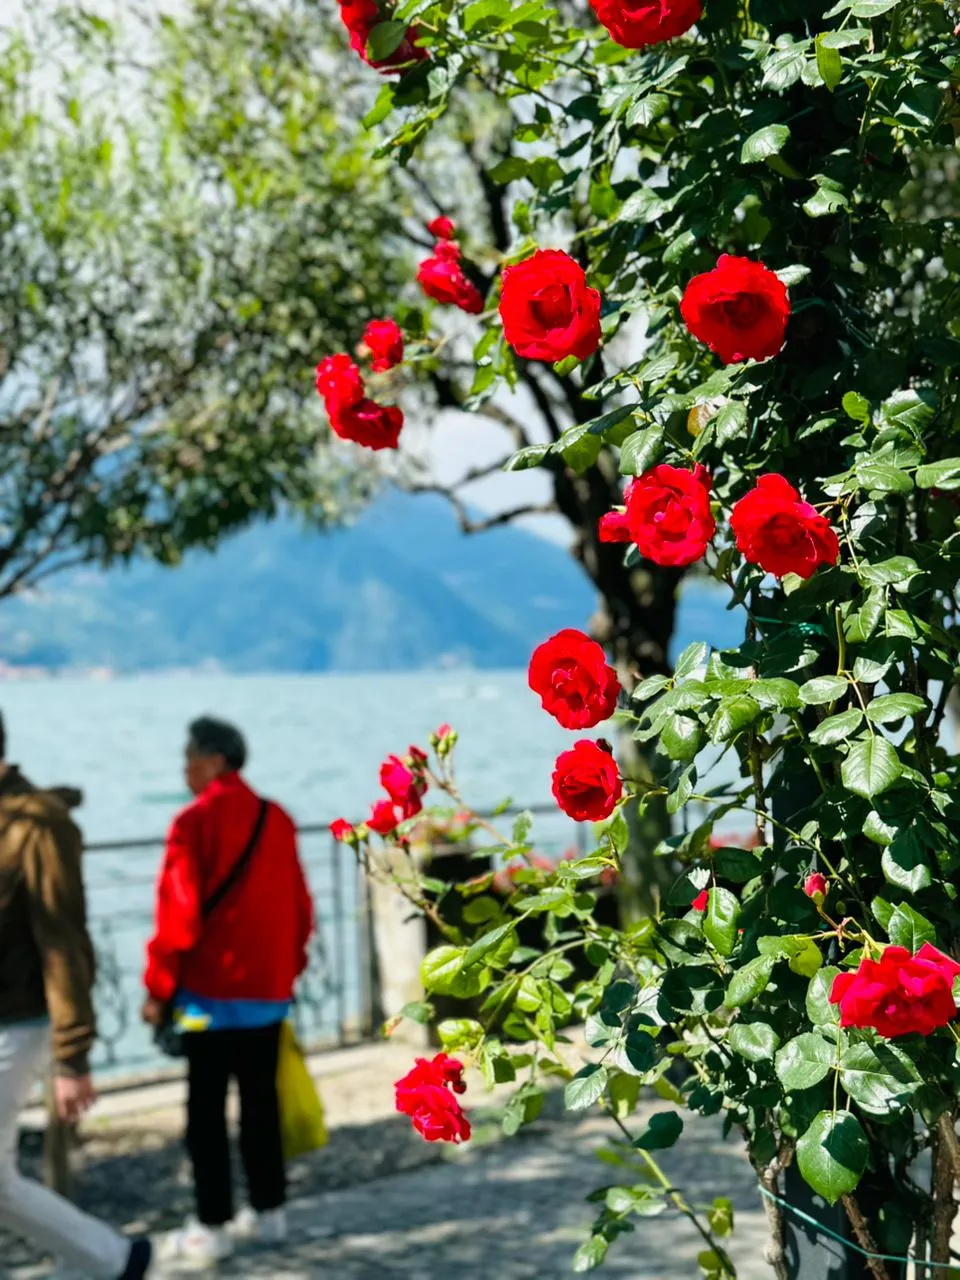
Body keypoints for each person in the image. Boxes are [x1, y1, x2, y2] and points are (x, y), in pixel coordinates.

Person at [142, 717, 314, 1267]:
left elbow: (179, 917)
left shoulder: (193, 823)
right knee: (261, 1104)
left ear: (214, 759)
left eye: (188, 756)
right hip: (267, 994)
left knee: (205, 1110)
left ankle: (210, 1224)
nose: (183, 767)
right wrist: (287, 972)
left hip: (204, 1001)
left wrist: (157, 987)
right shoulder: (277, 818)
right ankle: (271, 1212)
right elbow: (300, 908)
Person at [0, 712, 152, 1279]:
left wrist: (72, 1056)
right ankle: (109, 1259)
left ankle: (114, 1258)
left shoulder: (37, 825)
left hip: (21, 1022)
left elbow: (63, 942)